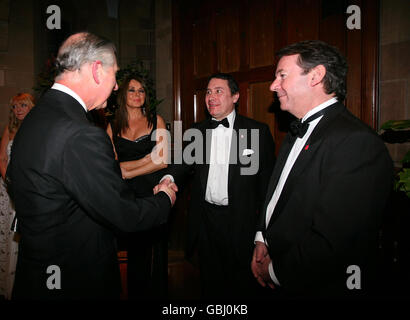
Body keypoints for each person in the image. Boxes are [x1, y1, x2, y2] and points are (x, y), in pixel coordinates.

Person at [6, 32, 177, 300]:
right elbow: (124, 215)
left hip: (36, 274)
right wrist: (164, 197)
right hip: (77, 280)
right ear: (97, 70)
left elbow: (15, 182)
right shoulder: (81, 133)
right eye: (115, 76)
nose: (118, 87)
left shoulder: (37, 116)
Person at [251, 40, 393, 298]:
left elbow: (334, 241)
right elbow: (277, 194)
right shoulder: (295, 130)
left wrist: (275, 271)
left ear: (316, 75)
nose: (273, 85)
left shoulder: (356, 142)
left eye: (282, 75)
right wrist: (262, 238)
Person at [162, 73, 276, 298]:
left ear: (235, 96)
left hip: (241, 222)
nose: (211, 97)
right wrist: (169, 179)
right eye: (208, 92)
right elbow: (182, 164)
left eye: (218, 91)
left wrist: (263, 234)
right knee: (211, 285)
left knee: (243, 285)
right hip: (206, 221)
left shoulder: (255, 132)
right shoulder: (199, 131)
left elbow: (267, 189)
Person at [106, 76, 169, 299]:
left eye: (141, 90)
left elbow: (162, 160)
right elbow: (110, 166)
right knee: (129, 255)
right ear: (123, 95)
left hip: (151, 195)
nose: (136, 94)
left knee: (151, 256)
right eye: (131, 90)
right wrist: (146, 160)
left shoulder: (156, 120)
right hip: (123, 197)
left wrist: (126, 169)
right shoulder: (112, 125)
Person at [0, 93, 34, 300]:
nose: (19, 109)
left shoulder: (36, 128)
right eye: (15, 106)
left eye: (23, 105)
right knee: (6, 234)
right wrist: (10, 183)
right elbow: (2, 159)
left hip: (28, 189)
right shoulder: (9, 129)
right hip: (8, 189)